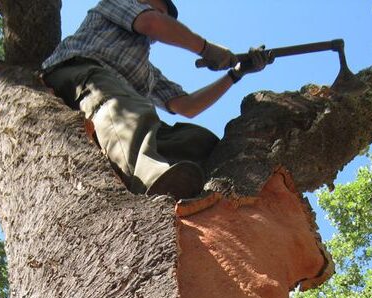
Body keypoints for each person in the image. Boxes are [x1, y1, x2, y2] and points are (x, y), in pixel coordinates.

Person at [42, 0, 267, 200]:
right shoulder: (113, 4)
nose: (159, 15)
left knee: (198, 140)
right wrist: (206, 48)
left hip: (122, 102)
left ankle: (210, 191)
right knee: (126, 108)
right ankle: (150, 177)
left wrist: (235, 74)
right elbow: (151, 23)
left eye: (164, 15)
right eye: (156, 8)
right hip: (76, 75)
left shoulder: (147, 72)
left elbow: (186, 106)